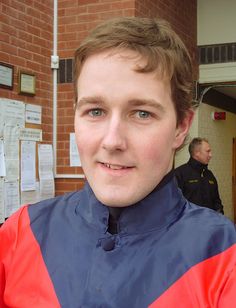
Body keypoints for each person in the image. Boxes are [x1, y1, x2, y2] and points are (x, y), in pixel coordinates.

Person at [0, 17, 235, 308]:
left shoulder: (224, 256)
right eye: (95, 111)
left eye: (142, 113)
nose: (112, 141)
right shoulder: (22, 233)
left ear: (181, 127)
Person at [174, 137, 224, 214]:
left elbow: (217, 201)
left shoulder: (210, 175)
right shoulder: (179, 174)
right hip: (189, 224)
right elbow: (174, 204)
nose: (211, 155)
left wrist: (220, 216)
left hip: (210, 223)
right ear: (197, 153)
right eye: (208, 151)